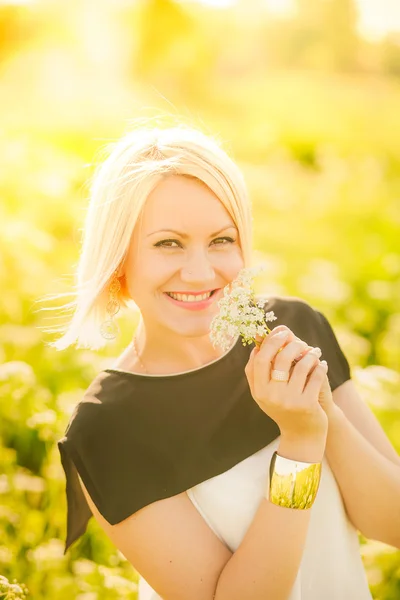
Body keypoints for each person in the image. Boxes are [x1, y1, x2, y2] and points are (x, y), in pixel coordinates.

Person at [55, 124, 400, 600]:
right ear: (118, 260)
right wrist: (299, 444)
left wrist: (324, 416)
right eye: (168, 243)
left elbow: (392, 523)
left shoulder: (294, 328)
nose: (201, 272)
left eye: (221, 239)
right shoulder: (108, 428)